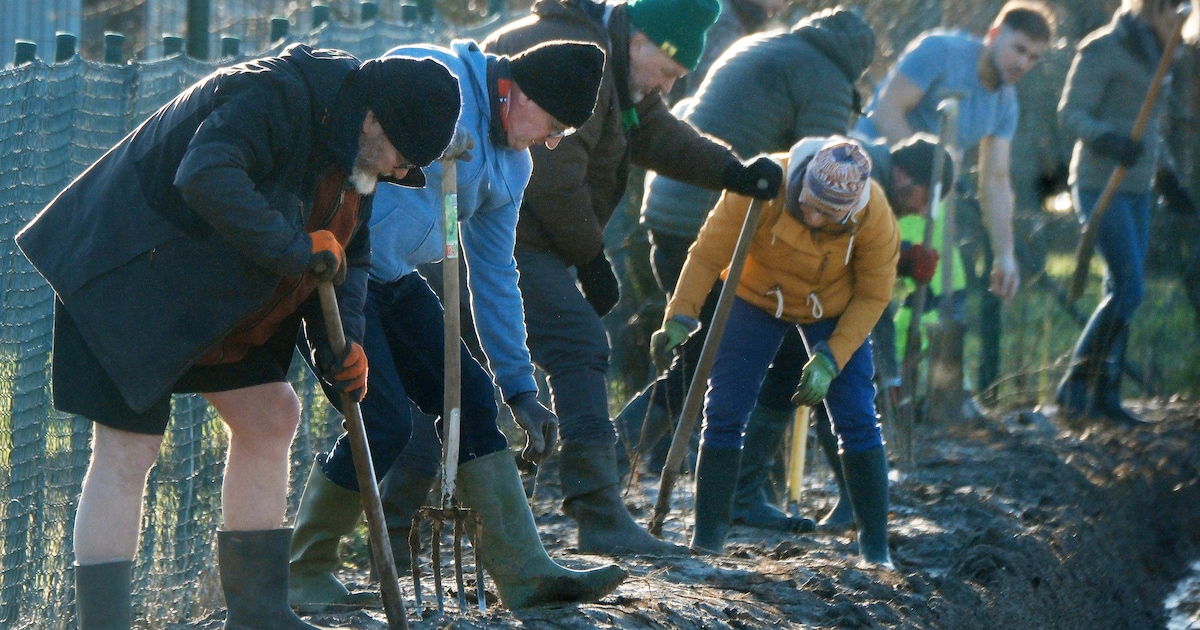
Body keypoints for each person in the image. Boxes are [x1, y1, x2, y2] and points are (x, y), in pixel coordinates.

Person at [16, 44, 461, 629]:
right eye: (404, 156)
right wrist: (295, 250)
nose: (403, 172)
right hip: (128, 273)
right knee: (129, 451)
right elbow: (205, 175)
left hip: (210, 296)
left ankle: (258, 614)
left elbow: (350, 249)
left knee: (272, 414)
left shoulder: (359, 151)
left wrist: (343, 344)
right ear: (374, 117)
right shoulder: (276, 96)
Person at [286, 39, 628, 610]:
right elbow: (384, 85)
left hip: (389, 279)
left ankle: (524, 572)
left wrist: (520, 384)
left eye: (564, 135)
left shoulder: (513, 167)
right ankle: (305, 568)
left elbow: (495, 273)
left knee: (470, 393)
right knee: (387, 421)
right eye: (555, 125)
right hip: (332, 272)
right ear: (517, 92)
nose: (551, 141)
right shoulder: (441, 80)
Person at [482, 0, 784, 556]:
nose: (665, 86)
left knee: (458, 366)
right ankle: (597, 511)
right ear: (641, 41)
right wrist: (592, 259)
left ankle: (409, 512)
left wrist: (731, 171)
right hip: (491, 230)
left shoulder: (615, 68)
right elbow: (552, 178)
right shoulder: (585, 59)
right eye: (668, 72)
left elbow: (655, 135)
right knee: (576, 339)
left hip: (509, 227)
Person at [613, 6, 877, 535]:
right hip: (718, 217)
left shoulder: (762, 47)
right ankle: (723, 489)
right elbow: (821, 180)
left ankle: (612, 458)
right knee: (752, 354)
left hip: (669, 208)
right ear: (858, 67)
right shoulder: (825, 78)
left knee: (707, 356)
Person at [651, 137, 899, 565]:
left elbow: (874, 296)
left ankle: (876, 549)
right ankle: (707, 540)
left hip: (834, 306)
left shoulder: (874, 214)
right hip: (756, 295)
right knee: (725, 409)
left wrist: (830, 358)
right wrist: (681, 314)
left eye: (828, 213)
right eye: (809, 204)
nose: (814, 215)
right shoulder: (764, 183)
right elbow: (709, 253)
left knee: (857, 415)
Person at [856, 0, 1055, 306]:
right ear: (993, 33)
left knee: (944, 295)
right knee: (880, 292)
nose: (1023, 63)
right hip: (870, 175)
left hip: (923, 198)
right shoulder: (940, 51)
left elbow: (996, 181)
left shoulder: (1006, 104)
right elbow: (886, 111)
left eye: (1033, 57)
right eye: (1018, 48)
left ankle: (909, 355)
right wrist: (935, 166)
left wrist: (1005, 256)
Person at [1055, 0, 1188, 426]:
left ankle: (1104, 395)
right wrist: (1106, 140)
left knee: (1121, 290)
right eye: (1174, 17)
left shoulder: (1160, 56)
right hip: (1099, 185)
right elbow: (1070, 113)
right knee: (1131, 289)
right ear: (1152, 11)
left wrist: (1167, 176)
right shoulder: (1102, 48)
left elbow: (1147, 124)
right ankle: (1074, 383)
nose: (1182, 27)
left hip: (1138, 190)